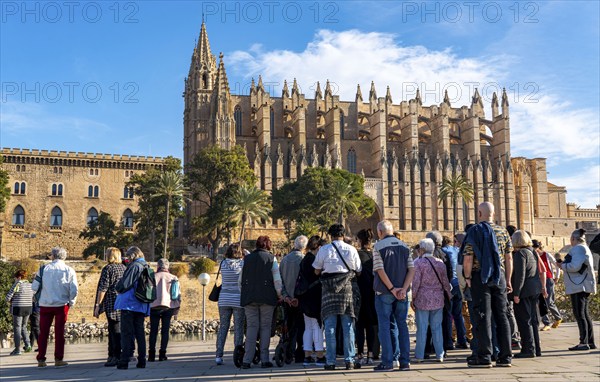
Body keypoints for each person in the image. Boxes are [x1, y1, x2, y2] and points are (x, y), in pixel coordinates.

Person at [461, 202, 513, 368]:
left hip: (480, 277)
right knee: (502, 316)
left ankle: (485, 356)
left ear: (479, 213)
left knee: (483, 316)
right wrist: (508, 279)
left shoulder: (474, 231)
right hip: (500, 278)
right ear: (494, 213)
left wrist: (467, 277)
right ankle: (505, 357)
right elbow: (509, 258)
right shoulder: (503, 231)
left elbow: (468, 258)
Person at [313, 224, 362, 371]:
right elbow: (358, 270)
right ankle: (349, 360)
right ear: (343, 234)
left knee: (330, 327)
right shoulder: (351, 249)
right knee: (348, 326)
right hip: (347, 289)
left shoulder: (324, 249)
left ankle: (330, 361)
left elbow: (316, 271)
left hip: (328, 290)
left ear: (330, 235)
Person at [371, 220, 414, 372]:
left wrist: (392, 289)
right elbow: (411, 269)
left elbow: (379, 270)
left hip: (384, 292)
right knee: (402, 325)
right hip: (402, 293)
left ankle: (387, 362)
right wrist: (403, 289)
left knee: (384, 325)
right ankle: (405, 362)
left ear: (380, 232)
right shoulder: (404, 246)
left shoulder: (378, 247)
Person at [239, 236, 283, 369]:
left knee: (252, 327)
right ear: (268, 246)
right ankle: (264, 359)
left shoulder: (247, 259)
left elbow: (240, 281)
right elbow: (277, 281)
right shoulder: (272, 259)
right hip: (267, 298)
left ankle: (247, 360)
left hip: (249, 298)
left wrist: (246, 291)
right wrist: (279, 295)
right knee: (265, 327)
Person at [31, 247, 78, 368]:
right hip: (62, 305)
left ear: (52, 256)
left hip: (45, 304)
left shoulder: (43, 269)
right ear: (64, 256)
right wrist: (71, 302)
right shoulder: (69, 270)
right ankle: (58, 358)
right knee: (59, 332)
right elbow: (74, 289)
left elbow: (34, 287)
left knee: (43, 333)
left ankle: (41, 359)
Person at [412, 238, 451, 362]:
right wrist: (449, 295)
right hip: (438, 298)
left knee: (422, 328)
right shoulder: (440, 263)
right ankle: (440, 354)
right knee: (437, 328)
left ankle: (419, 355)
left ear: (422, 249)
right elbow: (445, 282)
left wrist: (413, 298)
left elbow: (416, 283)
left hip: (422, 298)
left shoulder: (418, 263)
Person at [559, 229, 597, 351]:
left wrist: (562, 266)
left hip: (579, 285)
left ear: (574, 239)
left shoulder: (578, 248)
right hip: (582, 284)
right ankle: (589, 341)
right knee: (585, 314)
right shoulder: (584, 248)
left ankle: (583, 342)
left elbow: (574, 266)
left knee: (580, 314)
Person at [114, 246, 151, 370]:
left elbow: (125, 284)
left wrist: (117, 287)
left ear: (133, 256)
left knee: (126, 333)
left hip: (129, 304)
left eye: (129, 257)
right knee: (139, 333)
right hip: (140, 304)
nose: (128, 259)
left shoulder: (135, 266)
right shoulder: (146, 266)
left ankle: (124, 361)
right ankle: (142, 360)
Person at [510, 231, 543, 358]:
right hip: (534, 289)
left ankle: (528, 349)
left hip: (524, 291)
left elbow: (520, 275)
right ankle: (536, 348)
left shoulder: (520, 254)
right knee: (533, 320)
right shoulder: (532, 252)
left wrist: (516, 293)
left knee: (524, 321)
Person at [93, 247, 126, 367]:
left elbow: (103, 287)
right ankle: (114, 355)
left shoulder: (108, 268)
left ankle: (114, 356)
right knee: (118, 329)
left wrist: (98, 305)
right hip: (122, 302)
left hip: (112, 301)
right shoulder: (123, 268)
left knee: (113, 330)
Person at [297, 236, 326, 366]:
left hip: (304, 296)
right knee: (317, 326)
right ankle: (320, 355)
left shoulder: (304, 259)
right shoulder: (314, 260)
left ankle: (307, 356)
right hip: (314, 296)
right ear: (318, 247)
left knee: (308, 327)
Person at [215, 243, 245, 365]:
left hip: (224, 299)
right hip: (238, 299)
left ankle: (218, 355)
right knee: (238, 328)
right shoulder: (242, 264)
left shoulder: (222, 264)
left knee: (223, 327)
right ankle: (237, 354)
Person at [280, 235, 308, 364]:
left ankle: (288, 353)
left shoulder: (284, 260)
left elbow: (280, 281)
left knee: (289, 326)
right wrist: (296, 298)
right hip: (300, 300)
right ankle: (300, 353)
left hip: (287, 300)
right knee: (301, 327)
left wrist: (286, 297)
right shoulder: (304, 260)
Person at [149, 258, 180, 362]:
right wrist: (177, 308)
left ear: (158, 266)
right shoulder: (173, 278)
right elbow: (177, 294)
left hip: (154, 306)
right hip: (168, 307)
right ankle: (162, 354)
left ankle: (151, 355)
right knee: (165, 331)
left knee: (153, 331)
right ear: (168, 266)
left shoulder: (152, 276)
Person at [441, 235, 468, 350]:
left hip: (450, 285)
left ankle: (448, 342)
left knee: (447, 314)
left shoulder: (442, 251)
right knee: (458, 314)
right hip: (459, 284)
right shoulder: (457, 250)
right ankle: (462, 340)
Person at [355, 228, 377, 366]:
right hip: (373, 293)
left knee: (359, 326)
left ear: (360, 240)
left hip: (359, 293)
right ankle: (371, 354)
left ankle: (360, 354)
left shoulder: (357, 255)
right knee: (371, 326)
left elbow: (356, 272)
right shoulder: (375, 254)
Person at [533, 240, 562, 331]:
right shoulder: (533, 256)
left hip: (548, 280)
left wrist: (556, 277)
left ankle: (558, 317)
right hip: (538, 281)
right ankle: (546, 323)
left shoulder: (546, 255)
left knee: (549, 302)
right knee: (541, 302)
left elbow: (557, 265)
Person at [6, 269, 34, 355]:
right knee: (24, 327)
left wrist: (12, 300)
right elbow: (34, 297)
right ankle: (28, 345)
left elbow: (8, 297)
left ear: (18, 277)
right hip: (28, 308)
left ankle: (17, 349)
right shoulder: (31, 285)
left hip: (18, 308)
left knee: (17, 328)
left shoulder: (17, 284)